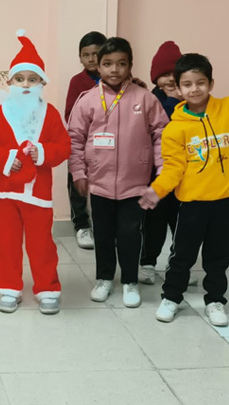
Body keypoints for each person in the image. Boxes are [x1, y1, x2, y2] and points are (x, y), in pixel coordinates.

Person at [140, 53, 229, 327]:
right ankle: (171, 297)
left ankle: (215, 300)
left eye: (200, 82)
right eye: (187, 84)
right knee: (182, 255)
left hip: (226, 202)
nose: (194, 89)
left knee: (218, 256)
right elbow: (173, 167)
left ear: (211, 83)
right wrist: (157, 190)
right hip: (192, 205)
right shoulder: (175, 129)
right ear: (178, 87)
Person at [69, 37, 169, 308]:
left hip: (134, 183)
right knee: (102, 234)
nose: (114, 69)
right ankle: (104, 278)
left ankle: (130, 281)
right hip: (99, 183)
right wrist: (79, 172)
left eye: (121, 63)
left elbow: (162, 135)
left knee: (130, 233)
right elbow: (75, 139)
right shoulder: (88, 100)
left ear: (130, 66)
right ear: (98, 66)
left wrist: (162, 170)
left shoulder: (145, 99)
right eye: (107, 63)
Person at [0, 30, 71, 315]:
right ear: (10, 83)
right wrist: (6, 159)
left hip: (38, 193)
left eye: (32, 79)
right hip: (7, 192)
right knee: (7, 243)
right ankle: (9, 288)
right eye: (20, 79)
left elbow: (63, 146)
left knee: (42, 244)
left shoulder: (50, 114)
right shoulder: (1, 113)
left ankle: (47, 288)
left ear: (42, 83)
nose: (26, 85)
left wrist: (42, 152)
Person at [139, 41, 184, 285]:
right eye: (164, 74)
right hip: (156, 175)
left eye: (174, 74)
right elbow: (163, 124)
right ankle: (147, 262)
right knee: (154, 224)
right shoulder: (151, 99)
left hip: (183, 177)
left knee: (182, 225)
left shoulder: (190, 101)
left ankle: (179, 265)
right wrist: (172, 100)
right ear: (155, 78)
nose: (170, 79)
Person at [64, 31, 107, 249]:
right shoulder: (77, 81)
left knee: (107, 185)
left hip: (109, 144)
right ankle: (81, 225)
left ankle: (106, 226)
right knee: (77, 181)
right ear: (80, 57)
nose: (91, 59)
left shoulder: (116, 79)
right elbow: (69, 114)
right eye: (86, 55)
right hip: (83, 141)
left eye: (96, 54)